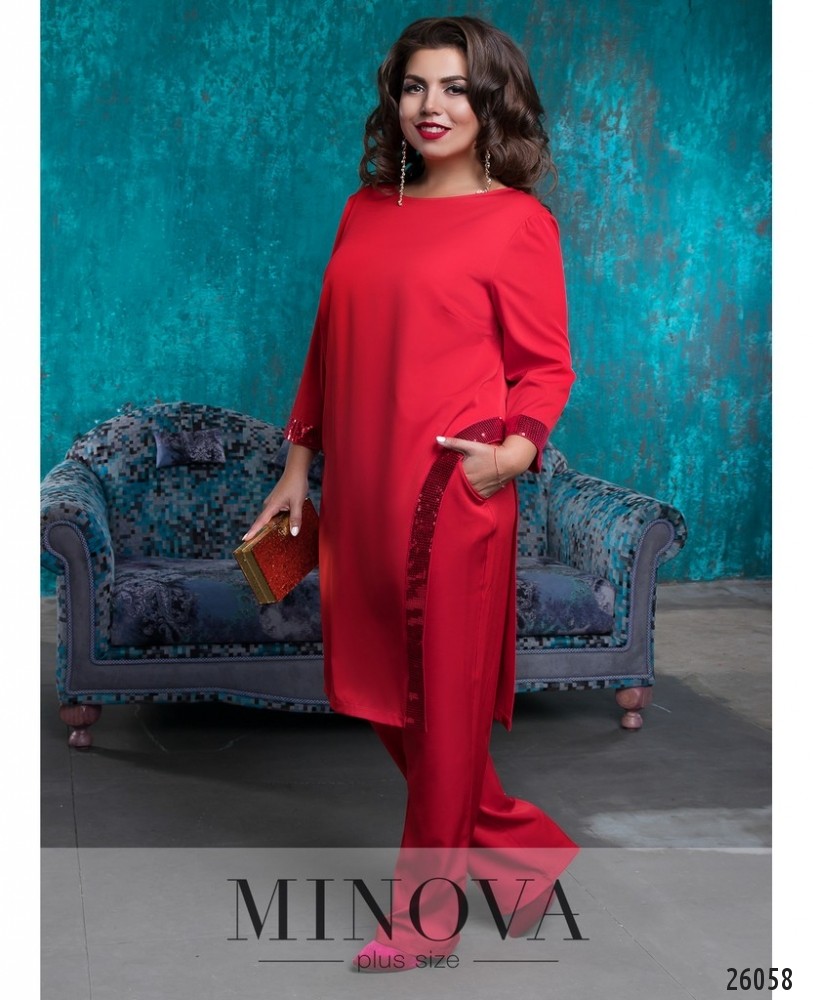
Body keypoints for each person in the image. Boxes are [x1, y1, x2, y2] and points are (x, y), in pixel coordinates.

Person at [245, 14, 579, 972]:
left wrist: (511, 455)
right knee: (385, 692)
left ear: (490, 102)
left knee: (441, 704)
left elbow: (546, 367)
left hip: (451, 491)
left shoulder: (517, 222)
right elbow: (326, 347)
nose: (430, 106)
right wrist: (297, 466)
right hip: (359, 491)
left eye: (455, 88)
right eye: (413, 86)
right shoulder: (365, 209)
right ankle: (523, 849)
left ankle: (425, 920)